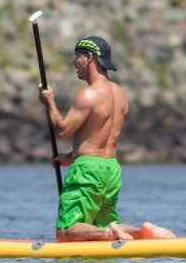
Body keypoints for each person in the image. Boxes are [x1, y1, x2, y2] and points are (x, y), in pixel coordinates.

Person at [37, 36, 176, 242]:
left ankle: (108, 232)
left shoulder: (89, 94)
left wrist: (49, 102)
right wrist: (70, 157)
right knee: (100, 222)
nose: (74, 63)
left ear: (90, 57)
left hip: (87, 171)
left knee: (66, 232)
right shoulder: (120, 94)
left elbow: (63, 131)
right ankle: (142, 231)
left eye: (77, 57)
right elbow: (98, 136)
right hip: (110, 168)